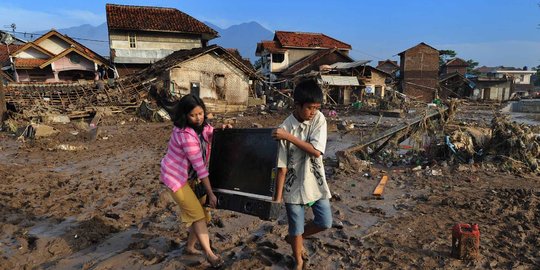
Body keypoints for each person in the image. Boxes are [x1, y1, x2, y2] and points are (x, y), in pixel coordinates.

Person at [272, 79, 333, 270]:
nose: (313, 112)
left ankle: (294, 239)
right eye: (309, 108)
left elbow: (316, 151)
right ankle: (298, 260)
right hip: (293, 186)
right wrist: (278, 197)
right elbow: (282, 168)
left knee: (325, 222)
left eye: (316, 107)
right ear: (297, 105)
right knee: (296, 226)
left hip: (315, 182)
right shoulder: (285, 127)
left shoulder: (318, 119)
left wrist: (288, 137)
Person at [160, 94, 224, 268]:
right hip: (176, 179)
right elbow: (201, 169)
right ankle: (210, 254)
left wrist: (223, 128)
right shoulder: (185, 135)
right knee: (197, 214)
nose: (198, 118)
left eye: (201, 113)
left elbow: (211, 133)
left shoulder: (203, 126)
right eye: (193, 115)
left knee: (204, 214)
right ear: (185, 116)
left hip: (191, 178)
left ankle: (189, 246)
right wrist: (210, 193)